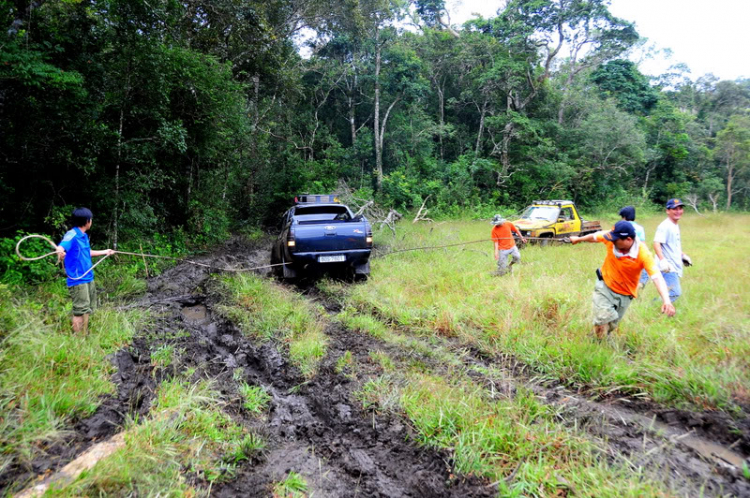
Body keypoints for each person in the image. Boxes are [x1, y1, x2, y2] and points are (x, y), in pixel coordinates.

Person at [570, 221, 676, 339]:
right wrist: (578, 239)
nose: (613, 242)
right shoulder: (611, 237)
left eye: (616, 240)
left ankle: (596, 341)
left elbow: (657, 277)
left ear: (629, 239)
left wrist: (667, 301)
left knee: (610, 325)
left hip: (625, 294)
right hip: (605, 286)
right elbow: (595, 236)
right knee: (603, 318)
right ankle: (597, 345)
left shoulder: (643, 254)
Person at [55, 208, 115, 333]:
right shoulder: (72, 235)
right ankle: (78, 339)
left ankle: (84, 334)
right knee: (79, 311)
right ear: (87, 221)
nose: (91, 221)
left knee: (87, 309)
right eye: (91, 219)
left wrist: (105, 251)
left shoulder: (83, 236)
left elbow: (86, 253)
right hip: (78, 280)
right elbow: (62, 246)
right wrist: (60, 251)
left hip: (88, 277)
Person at [653, 198, 691, 303]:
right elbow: (656, 243)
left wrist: (682, 256)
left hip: (674, 264)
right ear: (667, 211)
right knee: (675, 292)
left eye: (680, 208)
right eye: (675, 209)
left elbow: (673, 246)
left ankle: (659, 308)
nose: (678, 211)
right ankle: (655, 306)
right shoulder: (665, 226)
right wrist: (662, 261)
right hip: (668, 266)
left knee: (670, 291)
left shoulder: (674, 224)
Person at [618, 206, 650, 290]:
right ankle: (637, 288)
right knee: (644, 275)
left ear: (624, 217)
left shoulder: (620, 227)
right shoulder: (640, 229)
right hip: (636, 257)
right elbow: (642, 245)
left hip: (623, 257)